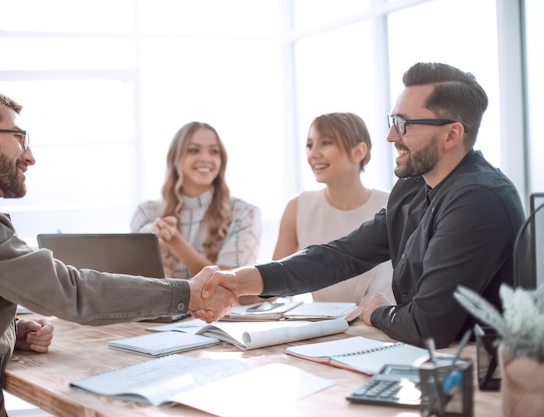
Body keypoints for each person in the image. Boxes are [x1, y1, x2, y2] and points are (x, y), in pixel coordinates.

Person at [0, 89, 235, 417]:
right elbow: (73, 291)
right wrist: (188, 293)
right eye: (19, 137)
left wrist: (8, 330)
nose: (29, 156)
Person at [197, 62, 526, 349]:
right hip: (424, 360)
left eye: (404, 125)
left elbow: (428, 326)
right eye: (392, 120)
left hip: (477, 376)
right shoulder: (413, 188)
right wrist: (241, 281)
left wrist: (377, 312)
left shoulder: (479, 199)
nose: (390, 137)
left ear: (452, 135)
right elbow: (339, 255)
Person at [272, 112, 393, 304]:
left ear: (359, 152)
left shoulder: (393, 205)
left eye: (326, 143)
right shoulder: (298, 207)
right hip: (323, 328)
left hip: (382, 326)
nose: (313, 154)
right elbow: (274, 286)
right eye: (310, 145)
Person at [131, 121, 261, 278]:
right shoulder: (146, 213)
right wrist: (145, 240)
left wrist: (175, 242)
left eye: (214, 151)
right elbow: (137, 282)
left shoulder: (244, 213)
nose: (205, 158)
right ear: (175, 158)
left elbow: (231, 283)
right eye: (194, 150)